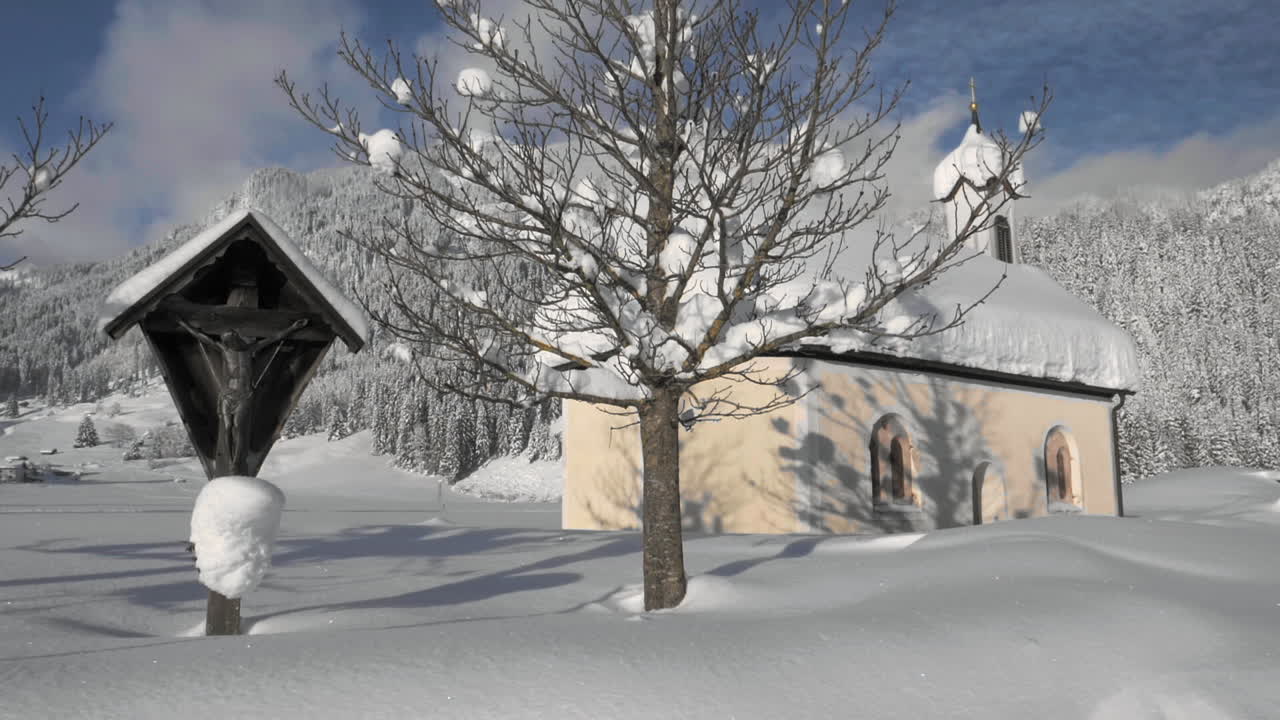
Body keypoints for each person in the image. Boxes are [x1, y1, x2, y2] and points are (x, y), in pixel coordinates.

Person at [174, 316, 308, 471]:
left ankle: (237, 462)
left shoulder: (250, 349)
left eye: (231, 338)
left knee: (239, 427)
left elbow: (274, 338)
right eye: (227, 339)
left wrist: (293, 328)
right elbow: (201, 337)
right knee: (228, 427)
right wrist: (184, 324)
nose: (229, 341)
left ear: (236, 339)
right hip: (227, 395)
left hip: (244, 395)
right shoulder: (224, 349)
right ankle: (231, 460)